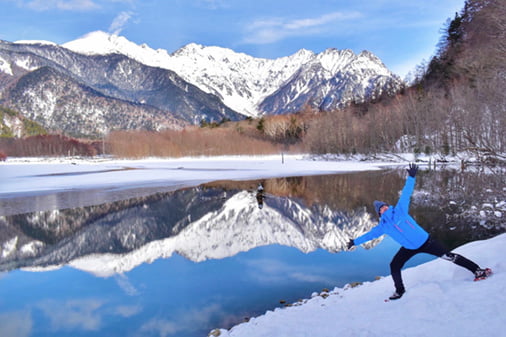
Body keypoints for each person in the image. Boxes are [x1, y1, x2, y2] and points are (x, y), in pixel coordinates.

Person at [347, 163, 492, 300]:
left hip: (426, 242)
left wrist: (411, 178)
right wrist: (354, 241)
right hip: (408, 248)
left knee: (449, 256)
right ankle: (400, 290)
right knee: (394, 265)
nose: (383, 208)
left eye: (384, 206)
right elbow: (370, 235)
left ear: (388, 206)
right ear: (379, 213)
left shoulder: (400, 210)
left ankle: (478, 271)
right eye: (381, 209)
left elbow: (406, 194)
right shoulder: (383, 226)